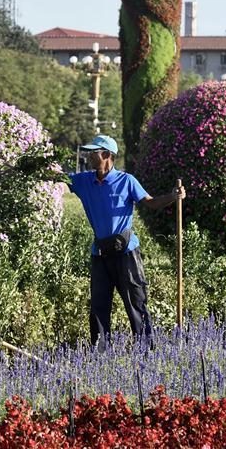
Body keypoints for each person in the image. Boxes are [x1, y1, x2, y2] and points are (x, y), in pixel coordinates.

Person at [65, 135, 185, 348]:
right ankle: (100, 356)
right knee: (98, 307)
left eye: (94, 153)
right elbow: (58, 177)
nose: (90, 157)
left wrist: (172, 196)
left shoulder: (126, 181)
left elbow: (151, 202)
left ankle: (147, 351)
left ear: (107, 156)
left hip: (126, 253)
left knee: (136, 304)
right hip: (100, 254)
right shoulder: (84, 181)